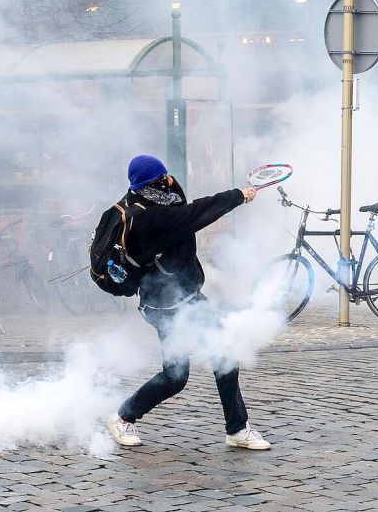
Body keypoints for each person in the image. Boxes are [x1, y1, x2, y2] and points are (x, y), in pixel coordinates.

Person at [105, 154, 271, 450]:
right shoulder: (151, 218)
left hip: (189, 298)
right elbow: (196, 213)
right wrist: (238, 196)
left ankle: (237, 428)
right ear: (153, 184)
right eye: (164, 177)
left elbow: (181, 203)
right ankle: (122, 418)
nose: (170, 180)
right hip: (164, 306)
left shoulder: (155, 200)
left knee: (225, 351)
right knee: (176, 377)